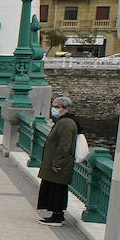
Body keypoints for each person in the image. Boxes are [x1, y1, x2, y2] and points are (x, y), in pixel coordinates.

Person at [38, 95, 79, 226]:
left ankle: (57, 216)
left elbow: (64, 145)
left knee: (57, 189)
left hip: (60, 164)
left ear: (66, 109)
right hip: (58, 162)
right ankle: (56, 214)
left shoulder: (66, 123)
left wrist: (57, 162)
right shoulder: (64, 122)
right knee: (54, 187)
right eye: (53, 107)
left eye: (57, 107)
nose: (54, 109)